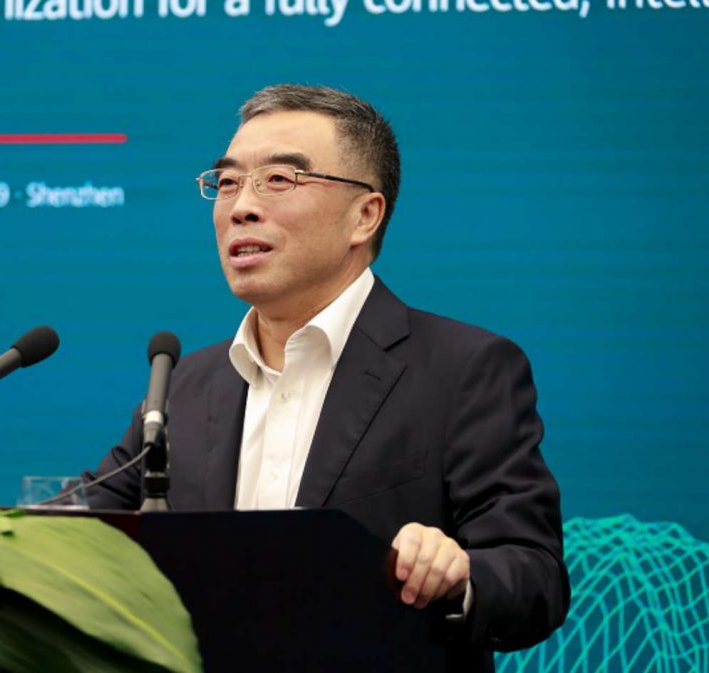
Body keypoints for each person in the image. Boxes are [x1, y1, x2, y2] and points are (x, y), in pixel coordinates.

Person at [84, 84, 569, 659]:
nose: (240, 207)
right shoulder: (184, 387)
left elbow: (534, 575)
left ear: (364, 215)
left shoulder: (465, 370)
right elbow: (76, 526)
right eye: (228, 182)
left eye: (279, 179)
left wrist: (459, 574)